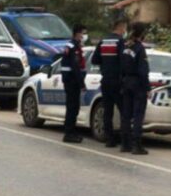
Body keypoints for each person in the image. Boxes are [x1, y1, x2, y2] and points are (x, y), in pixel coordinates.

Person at [91, 19, 128, 148]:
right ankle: (125, 140)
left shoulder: (103, 41)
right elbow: (124, 61)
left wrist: (105, 65)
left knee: (108, 110)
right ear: (121, 27)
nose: (125, 31)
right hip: (117, 81)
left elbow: (95, 59)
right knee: (124, 110)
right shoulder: (120, 42)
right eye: (124, 28)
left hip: (105, 80)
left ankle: (109, 139)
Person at [120, 22, 150, 155]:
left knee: (126, 114)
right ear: (142, 34)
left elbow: (121, 66)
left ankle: (125, 144)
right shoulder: (139, 49)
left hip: (126, 82)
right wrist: (147, 87)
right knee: (138, 114)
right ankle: (136, 145)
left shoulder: (126, 47)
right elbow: (143, 71)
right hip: (137, 84)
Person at [60, 24, 87, 143]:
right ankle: (69, 133)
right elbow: (75, 66)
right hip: (72, 81)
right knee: (73, 107)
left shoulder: (70, 45)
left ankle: (71, 131)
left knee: (72, 107)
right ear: (77, 33)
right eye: (83, 33)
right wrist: (81, 83)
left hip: (70, 80)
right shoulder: (74, 47)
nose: (84, 36)